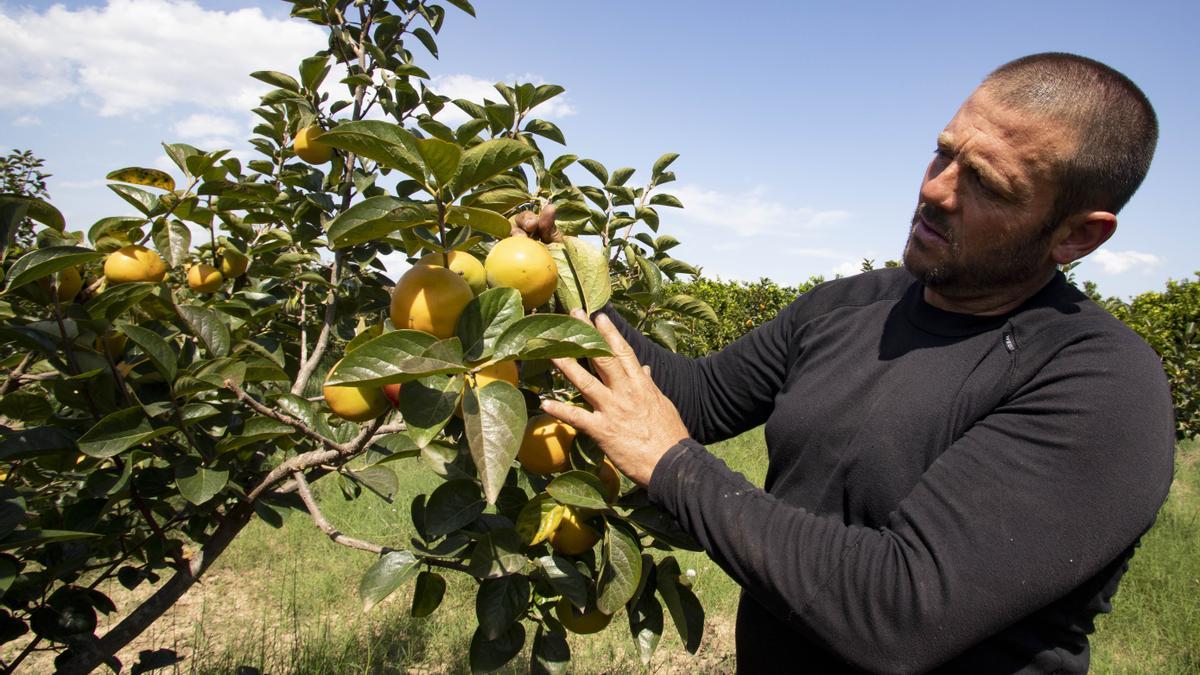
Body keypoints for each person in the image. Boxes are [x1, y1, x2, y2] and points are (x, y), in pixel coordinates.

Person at [528, 53, 1176, 673]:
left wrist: (672, 465)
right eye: (944, 153)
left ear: (1076, 235)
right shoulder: (851, 305)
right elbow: (694, 398)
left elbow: (899, 613)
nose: (936, 190)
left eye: (988, 184)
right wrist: (558, 283)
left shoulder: (1100, 385)